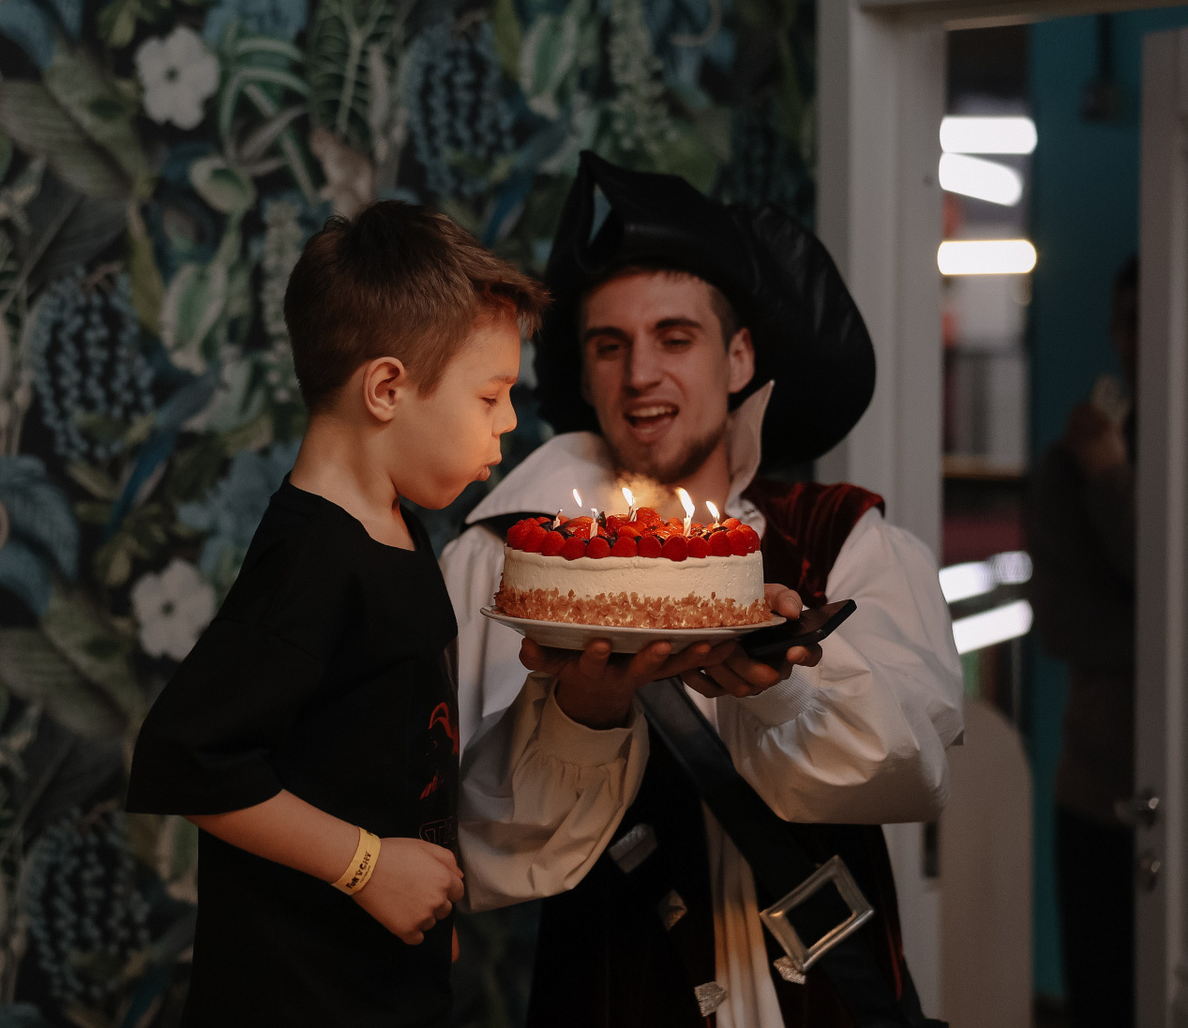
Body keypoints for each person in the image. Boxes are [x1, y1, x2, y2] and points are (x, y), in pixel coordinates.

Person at [126, 200, 766, 1027]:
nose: (509, 423)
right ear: (387, 389)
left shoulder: (399, 527)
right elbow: (185, 757)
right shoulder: (311, 560)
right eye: (490, 396)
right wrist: (367, 867)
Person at [447, 154, 965, 1027]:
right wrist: (578, 718)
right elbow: (480, 844)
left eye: (675, 337)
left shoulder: (845, 539)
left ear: (739, 357)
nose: (640, 374)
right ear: (584, 374)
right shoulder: (513, 562)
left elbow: (917, 770)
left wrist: (784, 689)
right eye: (609, 346)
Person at [1027, 254, 1139, 1028]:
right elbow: (1060, 624)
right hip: (1096, 785)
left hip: (1162, 779)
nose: (1140, 339)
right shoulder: (1074, 459)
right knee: (1100, 998)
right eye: (1128, 322)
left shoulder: (1114, 466)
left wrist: (1116, 481)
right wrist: (1094, 471)